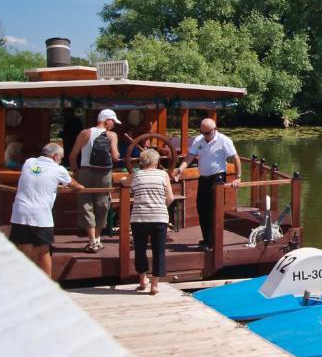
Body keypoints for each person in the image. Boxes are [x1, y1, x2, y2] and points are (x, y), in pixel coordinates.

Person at [10, 142, 85, 276]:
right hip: (40, 215)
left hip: (20, 212)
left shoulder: (29, 163)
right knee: (43, 251)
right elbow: (76, 186)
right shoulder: (59, 169)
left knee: (24, 248)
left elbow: (38, 177)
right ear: (55, 156)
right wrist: (78, 187)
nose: (60, 161)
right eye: (61, 158)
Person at [173, 118, 241, 251]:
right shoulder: (199, 140)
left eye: (207, 133)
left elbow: (236, 158)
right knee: (201, 209)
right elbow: (190, 156)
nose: (205, 136)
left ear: (215, 129)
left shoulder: (224, 140)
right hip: (203, 178)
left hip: (217, 177)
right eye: (202, 132)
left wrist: (238, 177)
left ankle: (213, 242)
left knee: (212, 210)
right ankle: (207, 239)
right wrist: (180, 169)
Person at [69, 108, 121, 253]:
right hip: (104, 173)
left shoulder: (85, 133)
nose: (114, 125)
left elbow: (73, 156)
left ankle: (92, 240)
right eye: (113, 122)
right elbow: (116, 156)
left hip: (85, 171)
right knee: (102, 203)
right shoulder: (112, 135)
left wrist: (76, 171)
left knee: (86, 203)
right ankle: (97, 239)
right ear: (107, 121)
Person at [128, 148, 173, 295]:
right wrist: (161, 207)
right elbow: (170, 197)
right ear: (156, 161)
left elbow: (125, 184)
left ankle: (142, 280)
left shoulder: (136, 175)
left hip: (139, 218)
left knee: (140, 249)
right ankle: (154, 285)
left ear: (142, 162)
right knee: (158, 250)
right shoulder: (163, 174)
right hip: (159, 217)